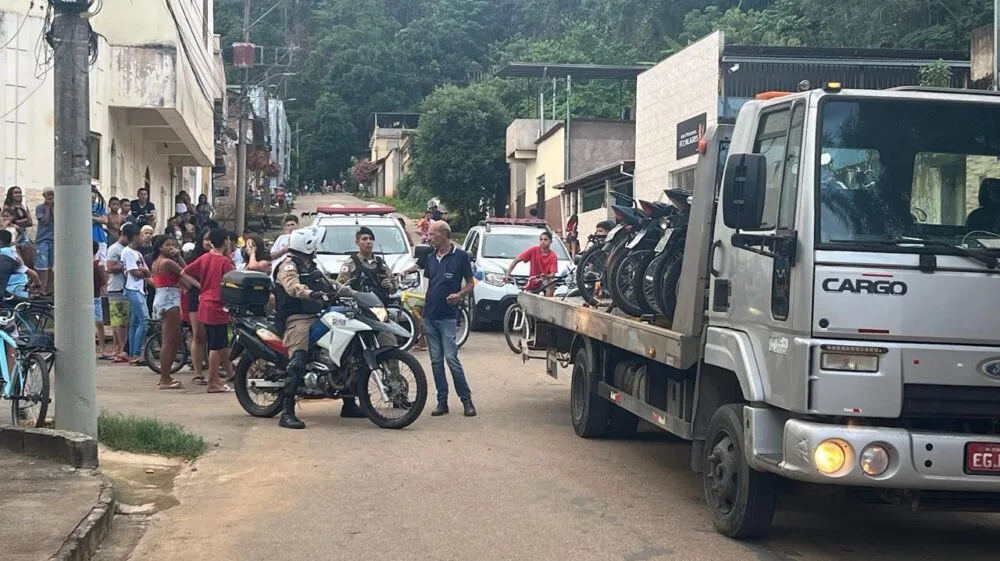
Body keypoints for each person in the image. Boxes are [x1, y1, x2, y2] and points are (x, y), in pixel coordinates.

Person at [273, 227, 362, 429]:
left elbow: (329, 283)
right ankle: (286, 412)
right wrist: (310, 293)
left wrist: (354, 294)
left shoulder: (311, 265)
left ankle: (349, 404)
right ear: (306, 246)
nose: (316, 248)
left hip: (319, 314)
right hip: (296, 318)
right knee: (298, 360)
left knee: (348, 352)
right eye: (314, 245)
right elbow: (291, 286)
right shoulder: (288, 266)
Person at [423, 221, 476, 417]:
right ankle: (441, 402)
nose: (429, 237)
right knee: (436, 362)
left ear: (444, 235)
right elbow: (430, 286)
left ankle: (466, 400)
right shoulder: (430, 258)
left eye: (432, 234)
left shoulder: (461, 257)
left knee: (451, 359)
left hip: (447, 317)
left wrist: (460, 295)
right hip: (430, 316)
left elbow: (471, 283)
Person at [182, 228, 235, 393]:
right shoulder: (225, 262)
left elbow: (184, 272)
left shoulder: (205, 258)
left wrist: (201, 287)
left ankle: (215, 380)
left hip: (204, 303)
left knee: (212, 342)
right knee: (216, 346)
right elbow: (232, 284)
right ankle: (214, 381)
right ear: (226, 241)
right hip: (218, 306)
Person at [151, 235, 200, 390]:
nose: (172, 248)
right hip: (169, 300)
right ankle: (165, 378)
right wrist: (179, 258)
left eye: (173, 244)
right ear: (160, 247)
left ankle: (166, 376)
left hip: (164, 297)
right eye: (168, 245)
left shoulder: (157, 262)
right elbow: (188, 272)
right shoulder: (167, 262)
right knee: (169, 341)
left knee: (175, 339)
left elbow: (181, 280)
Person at [106, 224, 137, 363]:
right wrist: (127, 265)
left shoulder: (128, 249)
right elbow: (110, 267)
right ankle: (123, 349)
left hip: (127, 287)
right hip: (117, 288)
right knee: (120, 320)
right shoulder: (114, 249)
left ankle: (122, 348)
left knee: (126, 320)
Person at [121, 225, 151, 366]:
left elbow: (147, 272)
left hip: (140, 288)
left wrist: (143, 271)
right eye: (140, 235)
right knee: (145, 321)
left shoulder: (137, 253)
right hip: (132, 288)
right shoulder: (127, 252)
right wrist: (143, 271)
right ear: (134, 237)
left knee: (135, 323)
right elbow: (135, 272)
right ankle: (137, 353)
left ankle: (133, 353)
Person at [503, 230, 558, 296]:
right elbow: (516, 261)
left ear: (550, 241)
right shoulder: (533, 250)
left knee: (551, 283)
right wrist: (507, 274)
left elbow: (553, 274)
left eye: (545, 239)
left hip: (544, 282)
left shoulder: (553, 256)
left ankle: (548, 304)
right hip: (532, 282)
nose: (543, 241)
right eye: (541, 239)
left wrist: (546, 276)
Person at [93, 241, 112, 360]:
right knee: (99, 323)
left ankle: (103, 349)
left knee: (99, 322)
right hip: (94, 295)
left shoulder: (98, 263)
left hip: (95, 295)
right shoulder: (98, 263)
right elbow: (103, 280)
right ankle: (102, 349)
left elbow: (103, 280)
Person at [33, 188, 53, 295]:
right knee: (42, 266)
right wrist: (48, 208)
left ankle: (49, 289)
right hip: (43, 240)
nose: (50, 197)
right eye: (48, 194)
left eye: (52, 195)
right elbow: (44, 221)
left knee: (51, 266)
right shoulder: (39, 208)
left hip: (54, 240)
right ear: (44, 195)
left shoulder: (57, 208)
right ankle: (42, 288)